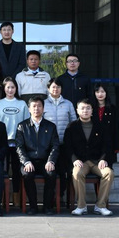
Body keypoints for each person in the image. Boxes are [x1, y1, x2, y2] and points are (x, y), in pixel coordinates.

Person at [64, 99, 114, 216]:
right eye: (82, 108)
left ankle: (100, 205)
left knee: (109, 173)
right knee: (77, 173)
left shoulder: (100, 126)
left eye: (88, 108)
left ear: (92, 111)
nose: (85, 111)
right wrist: (74, 159)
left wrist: (103, 158)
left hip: (97, 161)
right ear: (77, 110)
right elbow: (67, 146)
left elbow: (107, 145)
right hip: (81, 161)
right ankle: (81, 206)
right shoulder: (71, 127)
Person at [15, 96, 60, 215]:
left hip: (45, 161)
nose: (36, 108)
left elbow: (55, 146)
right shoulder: (22, 126)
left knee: (51, 174)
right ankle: (33, 206)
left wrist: (51, 161)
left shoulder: (51, 126)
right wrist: (26, 162)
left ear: (43, 108)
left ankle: (47, 207)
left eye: (39, 106)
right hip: (29, 161)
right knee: (27, 175)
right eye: (34, 106)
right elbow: (19, 147)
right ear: (29, 109)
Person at [0, 77, 30, 206]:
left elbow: (27, 123)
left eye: (13, 87)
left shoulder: (22, 104)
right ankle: (4, 198)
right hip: (2, 142)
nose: (10, 90)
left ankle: (16, 197)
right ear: (4, 89)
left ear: (16, 89)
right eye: (8, 87)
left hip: (18, 143)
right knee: (2, 171)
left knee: (16, 171)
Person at [43, 77, 77, 205]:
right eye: (53, 87)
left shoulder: (68, 104)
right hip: (47, 145)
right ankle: (50, 198)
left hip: (63, 143)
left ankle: (61, 196)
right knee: (50, 172)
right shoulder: (43, 104)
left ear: (61, 89)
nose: (55, 89)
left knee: (63, 172)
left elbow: (74, 122)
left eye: (58, 87)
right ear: (48, 89)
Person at [92, 83, 119, 166]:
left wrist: (116, 147)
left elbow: (116, 129)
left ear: (106, 93)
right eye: (97, 92)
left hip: (108, 144)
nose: (100, 94)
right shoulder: (91, 108)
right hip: (94, 144)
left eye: (102, 92)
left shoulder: (112, 109)